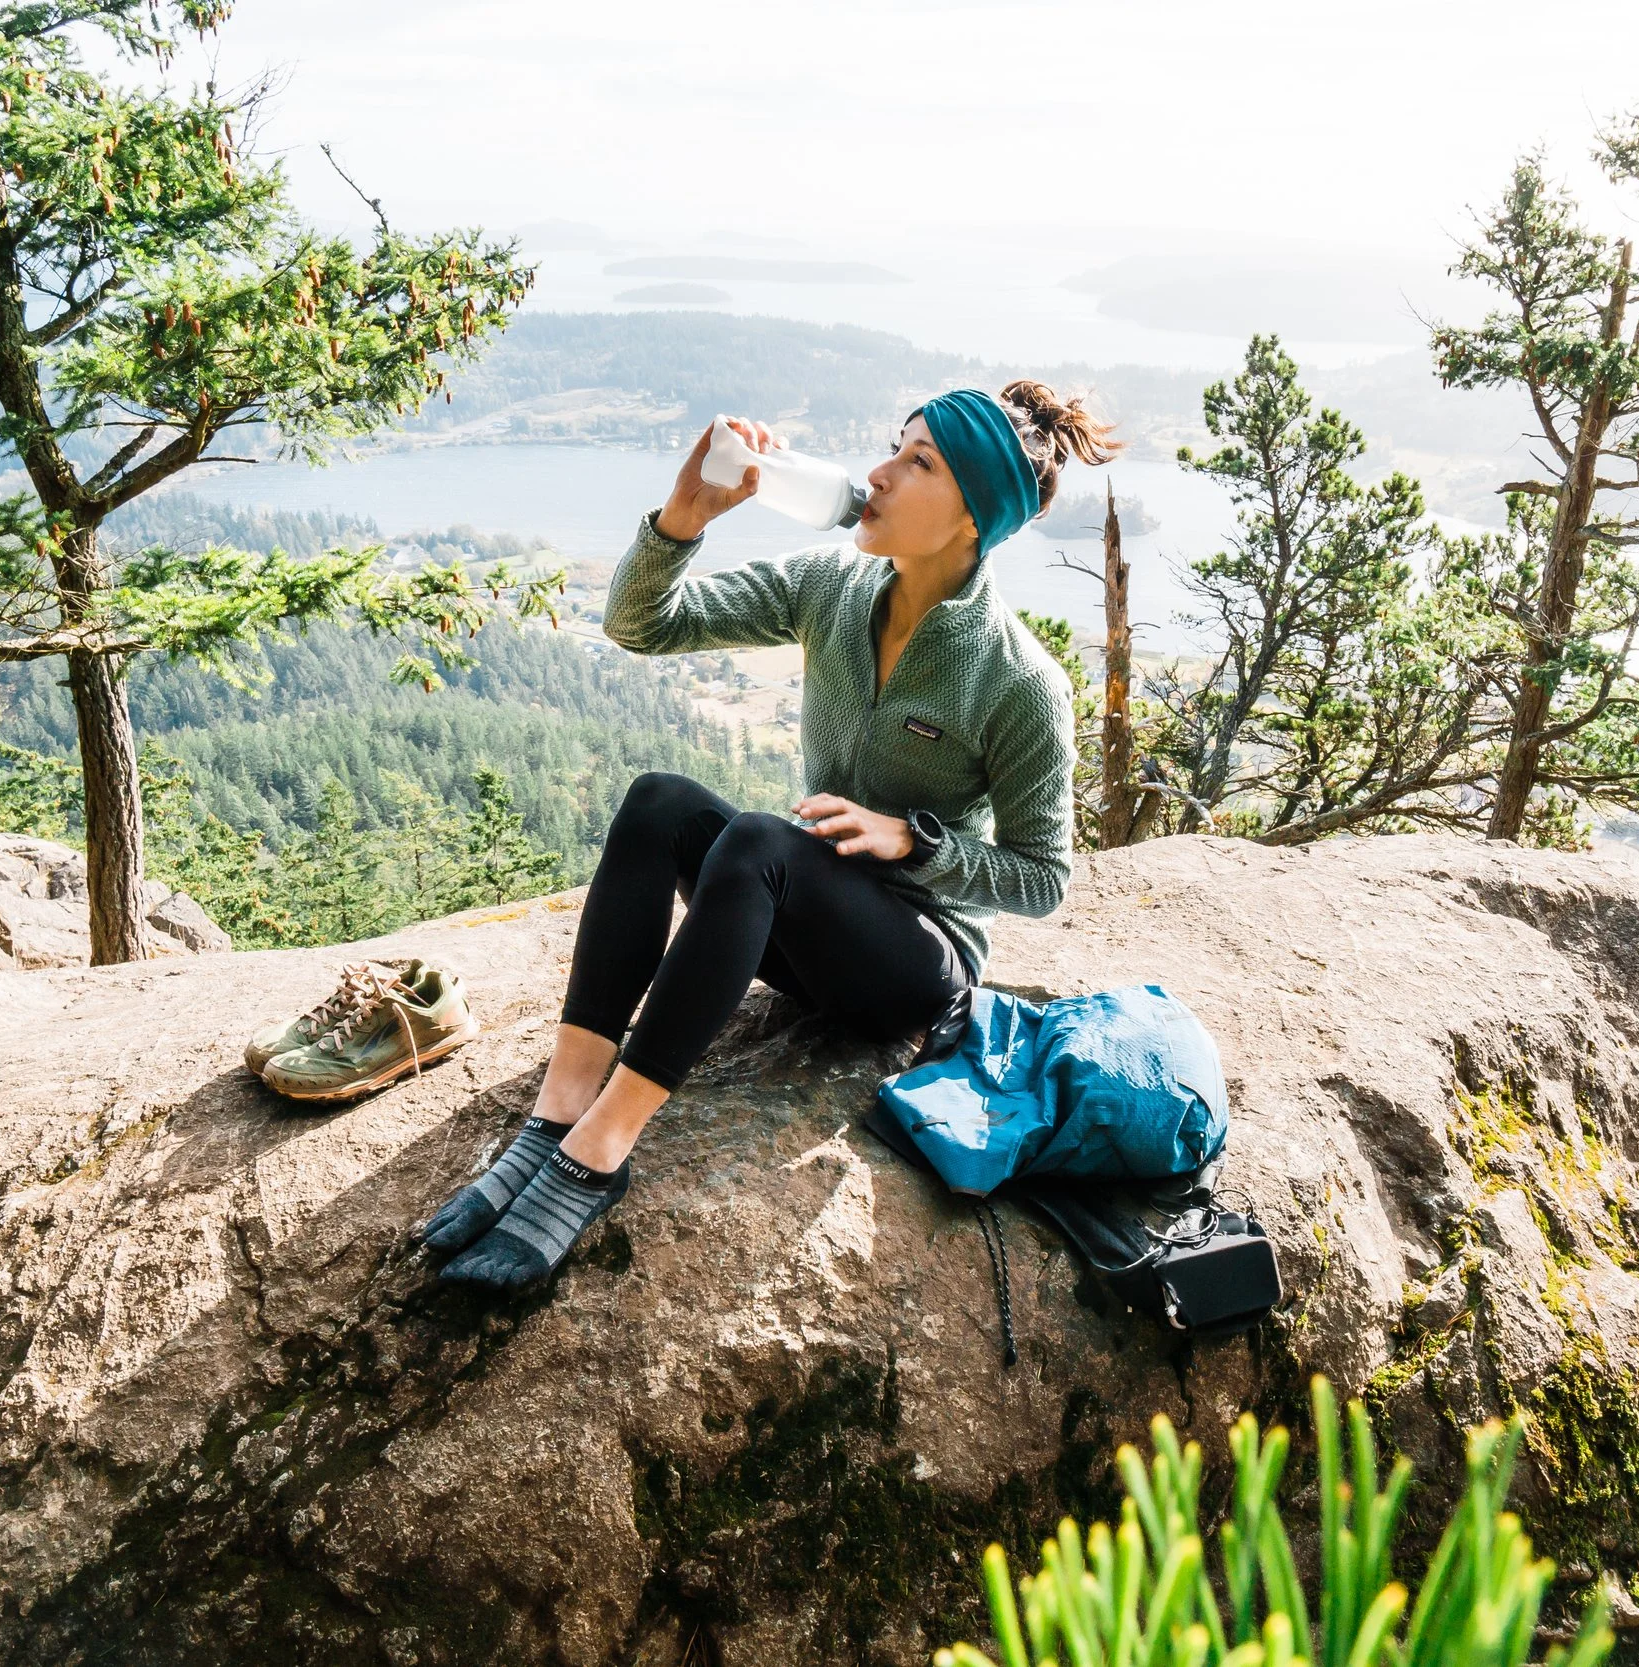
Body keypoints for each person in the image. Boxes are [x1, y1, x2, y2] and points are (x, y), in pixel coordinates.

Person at [424, 381, 1119, 1293]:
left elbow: (1044, 877)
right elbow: (641, 625)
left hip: (911, 966)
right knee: (657, 802)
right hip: (803, 924)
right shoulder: (830, 585)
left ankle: (599, 1150)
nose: (878, 472)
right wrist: (682, 518)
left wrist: (914, 840)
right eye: (895, 445)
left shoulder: (1018, 680)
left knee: (756, 839)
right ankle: (556, 1113)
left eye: (919, 463)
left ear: (972, 521)